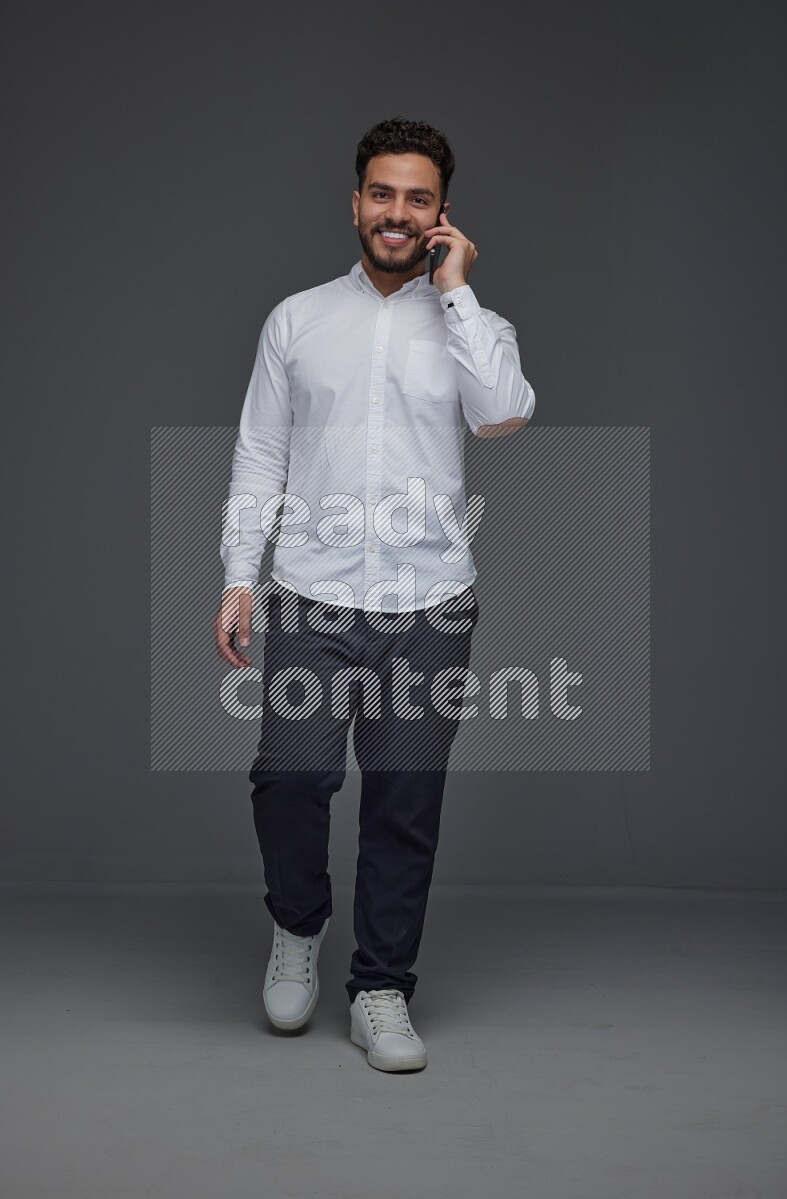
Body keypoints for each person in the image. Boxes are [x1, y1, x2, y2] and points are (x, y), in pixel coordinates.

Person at [214, 116, 535, 1072]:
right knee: (291, 778)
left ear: (444, 215)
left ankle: (383, 987)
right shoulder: (297, 319)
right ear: (355, 202)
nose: (398, 213)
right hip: (311, 596)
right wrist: (239, 577)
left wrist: (459, 291)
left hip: (429, 602)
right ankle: (297, 929)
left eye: (419, 198)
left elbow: (505, 414)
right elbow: (260, 454)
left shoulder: (477, 325)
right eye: (383, 194)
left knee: (404, 796)